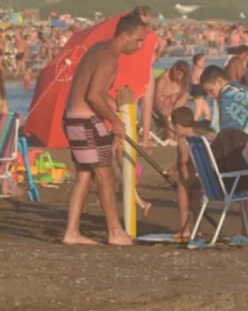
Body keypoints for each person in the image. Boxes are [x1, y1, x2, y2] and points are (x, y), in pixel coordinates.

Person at [62, 14, 146, 246]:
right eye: (138, 40)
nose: (140, 46)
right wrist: (115, 121)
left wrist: (116, 105)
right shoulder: (109, 57)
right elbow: (92, 95)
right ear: (124, 35)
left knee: (84, 176)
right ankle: (115, 232)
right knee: (105, 175)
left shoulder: (99, 50)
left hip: (74, 118)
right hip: (86, 121)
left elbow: (91, 91)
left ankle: (72, 232)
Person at [166, 106, 204, 240]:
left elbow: (184, 158)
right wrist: (173, 168)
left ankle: (185, 230)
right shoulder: (199, 137)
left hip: (186, 176)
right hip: (199, 175)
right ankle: (198, 230)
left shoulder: (183, 139)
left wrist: (180, 168)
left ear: (178, 126)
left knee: (183, 203)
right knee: (196, 204)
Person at [202, 65, 248, 138]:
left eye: (210, 90)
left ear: (219, 82)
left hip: (245, 144)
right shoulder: (246, 89)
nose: (210, 96)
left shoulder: (223, 99)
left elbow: (225, 132)